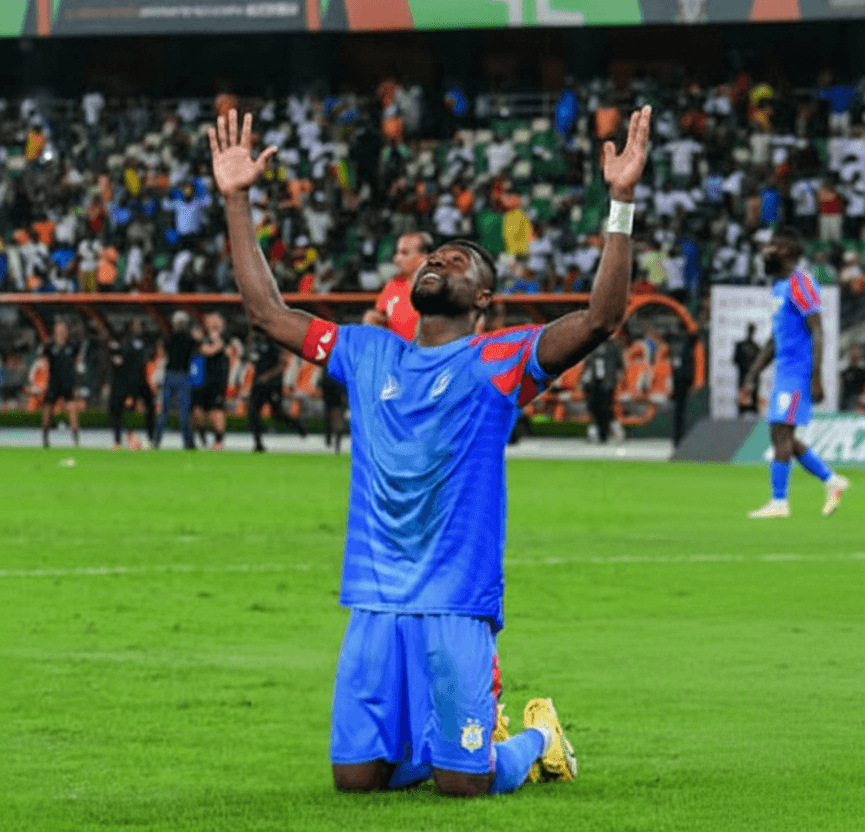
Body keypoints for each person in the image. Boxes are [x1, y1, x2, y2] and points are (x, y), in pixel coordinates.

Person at [209, 105, 650, 796]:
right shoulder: (366, 350)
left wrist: (619, 201)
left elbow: (602, 317)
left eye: (457, 259)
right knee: (357, 781)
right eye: (433, 255)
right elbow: (268, 313)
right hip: (376, 598)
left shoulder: (500, 360)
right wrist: (238, 201)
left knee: (463, 786)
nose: (438, 259)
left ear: (482, 296)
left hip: (454, 600)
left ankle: (538, 737)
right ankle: (444, 735)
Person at [738, 228, 850, 518]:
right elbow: (775, 340)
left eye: (773, 247)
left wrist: (817, 377)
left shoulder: (800, 283)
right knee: (781, 434)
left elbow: (817, 330)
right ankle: (831, 481)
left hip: (799, 372)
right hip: (784, 372)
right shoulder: (779, 288)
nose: (766, 252)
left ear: (788, 252)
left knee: (781, 432)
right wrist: (751, 376)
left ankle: (780, 502)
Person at [362, 231, 432, 341]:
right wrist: (376, 320)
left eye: (404, 253)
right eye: (397, 252)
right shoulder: (394, 284)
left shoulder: (436, 289)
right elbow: (382, 315)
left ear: (423, 257)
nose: (396, 259)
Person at [247, 329, 306, 453]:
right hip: (258, 384)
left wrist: (267, 376)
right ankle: (258, 443)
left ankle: (298, 426)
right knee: (252, 411)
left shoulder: (276, 344)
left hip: (273, 384)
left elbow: (282, 364)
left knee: (277, 414)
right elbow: (253, 358)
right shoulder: (257, 343)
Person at [107, 318, 155, 450]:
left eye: (139, 325)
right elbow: (115, 360)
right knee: (116, 409)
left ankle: (150, 439)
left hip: (138, 380)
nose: (138, 327)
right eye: (135, 325)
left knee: (148, 408)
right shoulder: (123, 341)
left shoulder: (143, 342)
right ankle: (119, 441)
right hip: (123, 381)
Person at [154, 311, 197, 450]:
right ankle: (188, 444)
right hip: (184, 376)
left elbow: (164, 351)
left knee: (164, 411)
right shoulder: (190, 339)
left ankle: (156, 442)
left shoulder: (169, 338)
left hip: (170, 375)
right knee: (184, 412)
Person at [40, 319, 82, 449]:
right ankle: (45, 439)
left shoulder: (73, 346)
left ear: (67, 331)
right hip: (53, 383)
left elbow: (77, 363)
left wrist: (76, 382)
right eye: (59, 329)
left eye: (64, 329)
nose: (61, 332)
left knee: (72, 411)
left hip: (68, 383)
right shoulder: (49, 347)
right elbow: (44, 364)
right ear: (55, 331)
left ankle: (76, 441)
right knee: (47, 411)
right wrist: (43, 383)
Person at [191, 313, 229, 451]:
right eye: (207, 321)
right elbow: (202, 350)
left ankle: (219, 441)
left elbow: (213, 350)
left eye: (212, 321)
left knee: (216, 410)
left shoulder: (225, 336)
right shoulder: (204, 338)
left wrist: (204, 341)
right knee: (197, 409)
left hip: (217, 381)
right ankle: (202, 435)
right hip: (201, 379)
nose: (209, 323)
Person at [580, 333, 625, 443]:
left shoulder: (613, 345)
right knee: (594, 407)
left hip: (608, 380)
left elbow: (620, 364)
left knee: (606, 407)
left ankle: (610, 433)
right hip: (593, 381)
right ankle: (598, 432)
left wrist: (616, 379)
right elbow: (588, 363)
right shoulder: (593, 344)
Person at [733, 323, 761, 416]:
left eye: (752, 330)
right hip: (743, 377)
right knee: (742, 402)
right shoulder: (740, 345)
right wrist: (746, 366)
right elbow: (735, 360)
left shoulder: (756, 347)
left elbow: (760, 363)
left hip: (754, 379)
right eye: (750, 330)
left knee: (753, 401)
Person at [321, 369, 348, 454]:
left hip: (334, 404)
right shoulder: (337, 378)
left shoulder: (328, 376)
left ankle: (332, 444)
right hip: (335, 404)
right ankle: (334, 445)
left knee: (333, 425)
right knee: (336, 426)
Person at [839, 344, 865, 411]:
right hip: (846, 399)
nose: (855, 355)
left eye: (857, 353)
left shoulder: (864, 371)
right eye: (853, 353)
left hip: (860, 399)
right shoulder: (845, 371)